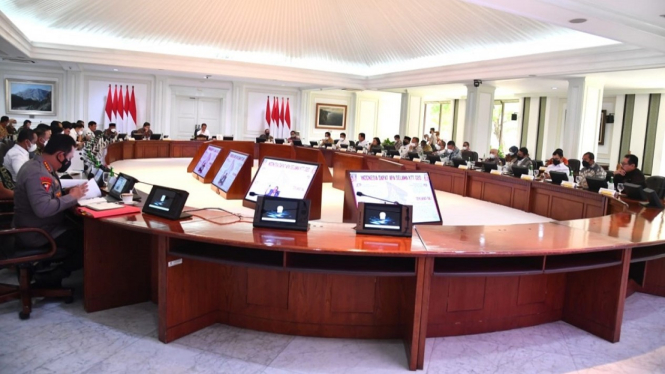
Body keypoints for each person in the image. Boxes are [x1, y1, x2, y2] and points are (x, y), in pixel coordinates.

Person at [13, 134, 88, 287]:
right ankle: (52, 276)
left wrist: (67, 193)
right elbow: (43, 208)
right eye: (69, 157)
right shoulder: (38, 173)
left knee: (80, 230)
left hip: (36, 226)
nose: (68, 161)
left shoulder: (39, 165)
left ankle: (47, 272)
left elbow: (48, 194)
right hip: (37, 232)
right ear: (60, 155)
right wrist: (72, 198)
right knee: (89, 242)